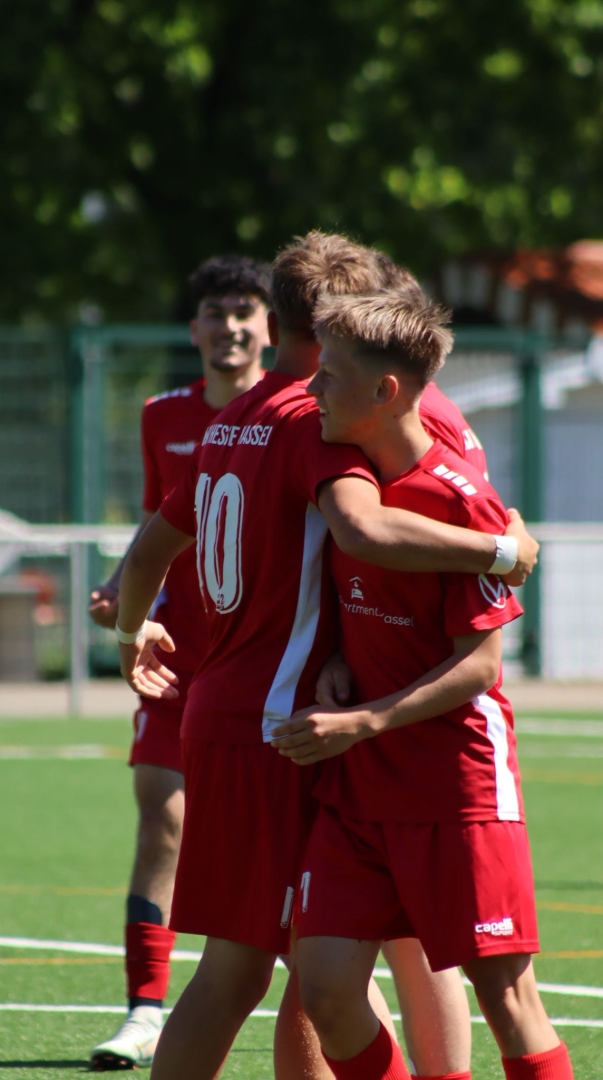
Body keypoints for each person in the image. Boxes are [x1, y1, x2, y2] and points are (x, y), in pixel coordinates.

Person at [115, 232, 539, 1080]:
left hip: (225, 710)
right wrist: (502, 548)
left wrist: (134, 630)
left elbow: (155, 541)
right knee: (327, 962)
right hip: (293, 725)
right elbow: (361, 528)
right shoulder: (319, 422)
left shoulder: (230, 418)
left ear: (275, 319)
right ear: (341, 323)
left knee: (286, 966)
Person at [273, 288, 573, 1080]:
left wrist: (363, 720)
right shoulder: (354, 485)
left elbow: (481, 667)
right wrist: (339, 661)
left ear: (385, 391)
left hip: (456, 787)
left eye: (330, 373)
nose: (312, 387)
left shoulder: (462, 504)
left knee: (508, 1001)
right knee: (326, 988)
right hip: (360, 791)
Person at [88, 254, 271, 1070]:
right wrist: (122, 589)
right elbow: (158, 524)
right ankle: (143, 1011)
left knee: (281, 843)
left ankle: (328, 987)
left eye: (244, 311)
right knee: (163, 817)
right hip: (174, 657)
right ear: (193, 327)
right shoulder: (162, 415)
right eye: (215, 312)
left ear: (269, 326)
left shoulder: (292, 411)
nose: (230, 326)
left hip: (265, 664)